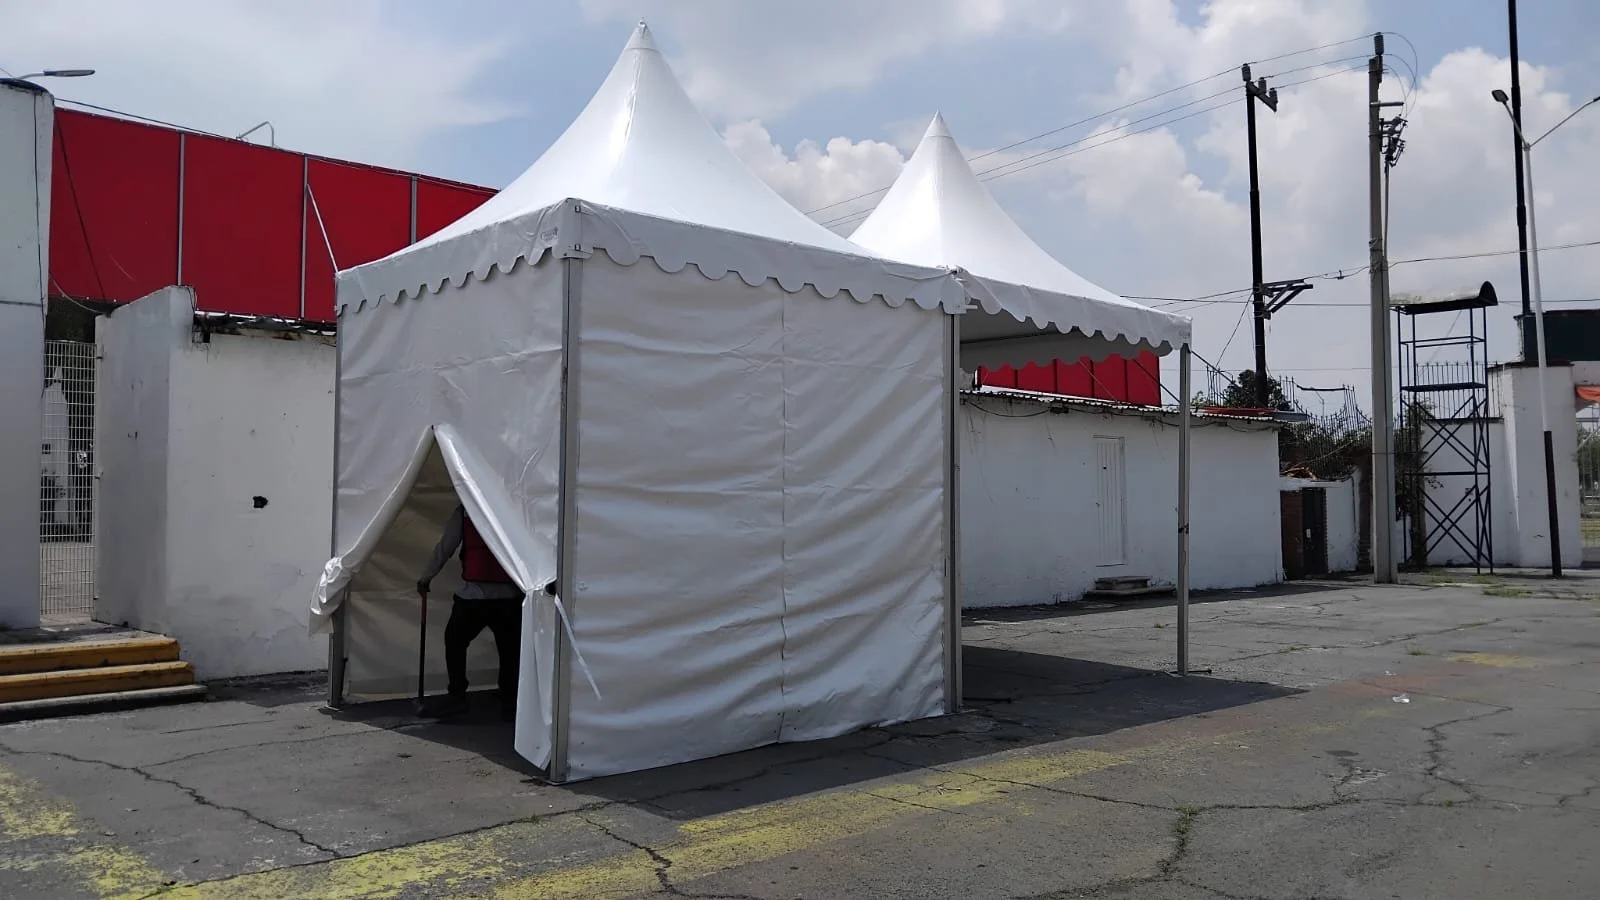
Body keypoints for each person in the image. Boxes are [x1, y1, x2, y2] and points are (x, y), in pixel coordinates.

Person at [417, 504, 522, 721]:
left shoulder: (465, 509)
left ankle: (457, 696)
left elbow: (446, 546)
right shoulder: (511, 505)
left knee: (455, 641)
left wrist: (426, 577)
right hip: (510, 596)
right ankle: (510, 702)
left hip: (473, 597)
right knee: (510, 650)